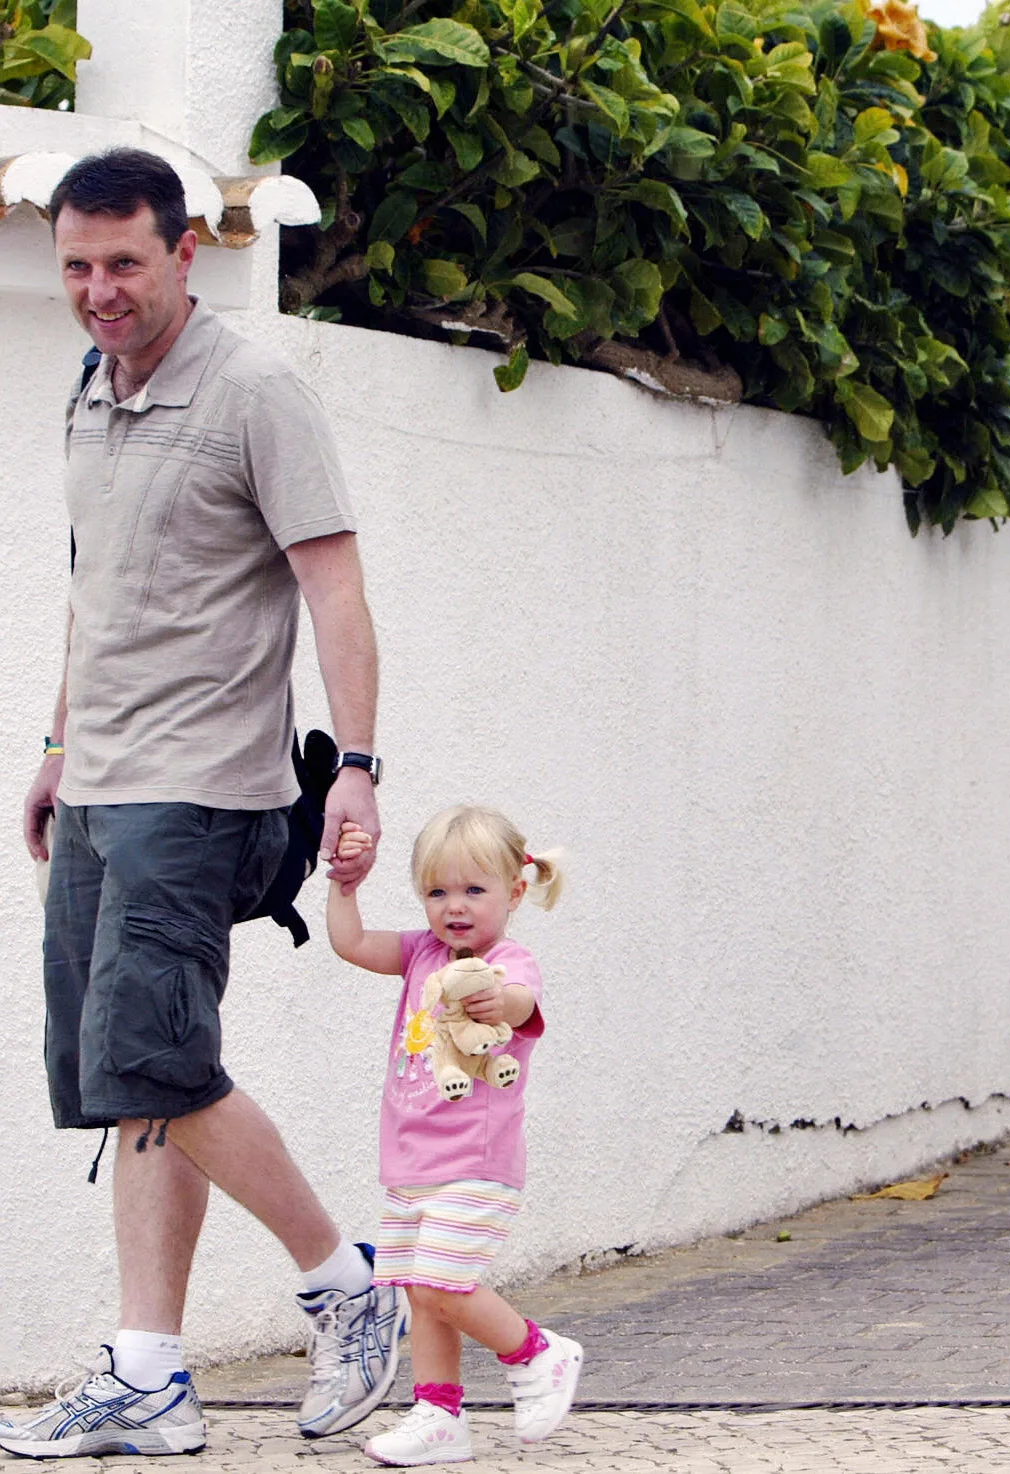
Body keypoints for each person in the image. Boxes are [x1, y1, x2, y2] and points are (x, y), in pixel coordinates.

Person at [7, 148, 400, 1459]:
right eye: (76, 264)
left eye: (124, 262)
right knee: (131, 1086)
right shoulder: (88, 388)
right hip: (107, 780)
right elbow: (95, 585)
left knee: (155, 1060)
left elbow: (334, 587)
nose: (98, 289)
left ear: (186, 252)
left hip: (204, 787)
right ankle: (147, 1369)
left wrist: (357, 762)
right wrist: (60, 737)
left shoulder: (255, 391)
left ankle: (348, 1284)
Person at [327, 806, 582, 1466]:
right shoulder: (421, 955)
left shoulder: (508, 962)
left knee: (443, 1284)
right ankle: (439, 1414)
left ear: (516, 892)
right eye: (437, 892)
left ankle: (536, 1353)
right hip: (411, 1163)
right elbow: (350, 944)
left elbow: (522, 1001)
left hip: (476, 1163)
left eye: (474, 890)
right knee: (421, 1292)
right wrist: (344, 888)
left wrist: (502, 1003)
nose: (454, 907)